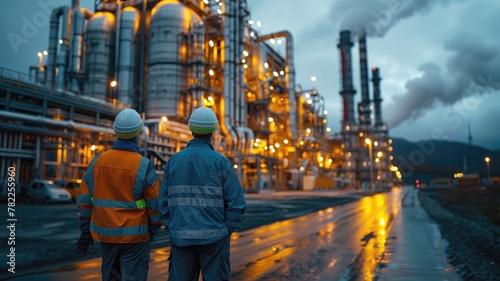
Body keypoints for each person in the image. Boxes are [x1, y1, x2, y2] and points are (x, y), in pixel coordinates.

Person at [159, 106, 247, 281]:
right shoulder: (221, 163)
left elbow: (162, 202)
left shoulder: (174, 161)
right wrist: (225, 230)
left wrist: (173, 226)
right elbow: (237, 204)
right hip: (215, 239)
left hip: (181, 238)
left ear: (191, 129)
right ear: (213, 131)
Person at [76, 108, 161, 281]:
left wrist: (85, 232)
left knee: (111, 277)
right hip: (136, 238)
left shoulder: (97, 162)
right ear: (138, 132)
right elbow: (154, 205)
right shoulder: (144, 165)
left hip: (106, 237)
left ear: (115, 131)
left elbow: (85, 202)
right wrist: (153, 229)